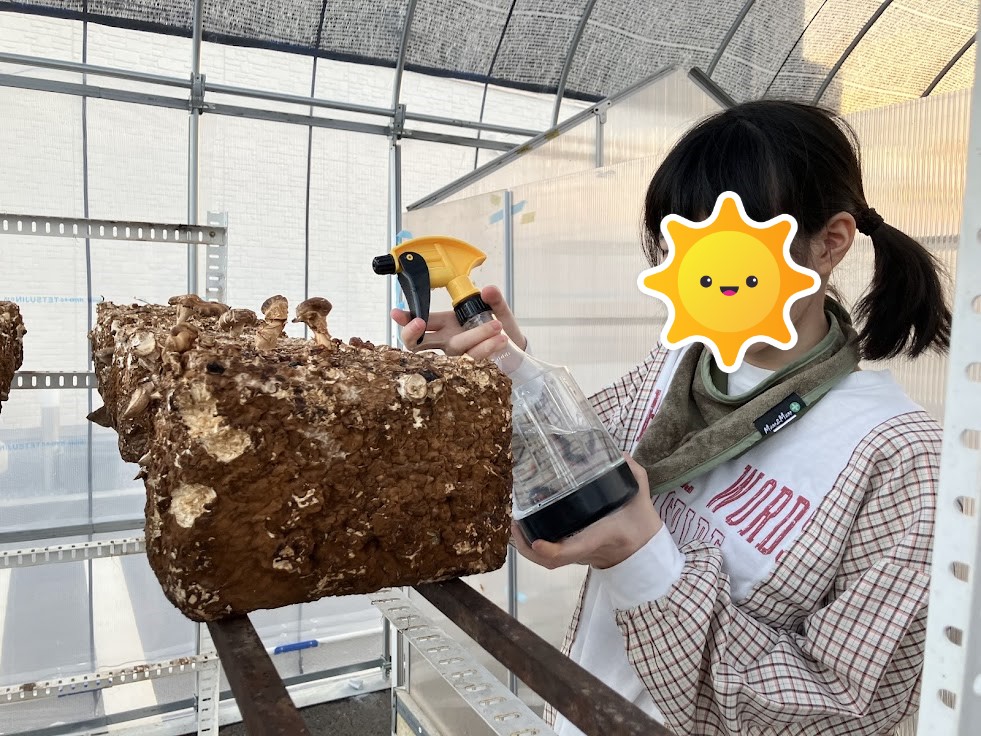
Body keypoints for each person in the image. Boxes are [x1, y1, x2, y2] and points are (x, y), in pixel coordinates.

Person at [392, 100, 950, 736]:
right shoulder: (674, 368)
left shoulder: (902, 457)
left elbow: (841, 710)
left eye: (731, 248)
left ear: (831, 243)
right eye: (682, 248)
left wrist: (639, 557)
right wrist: (510, 367)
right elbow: (580, 460)